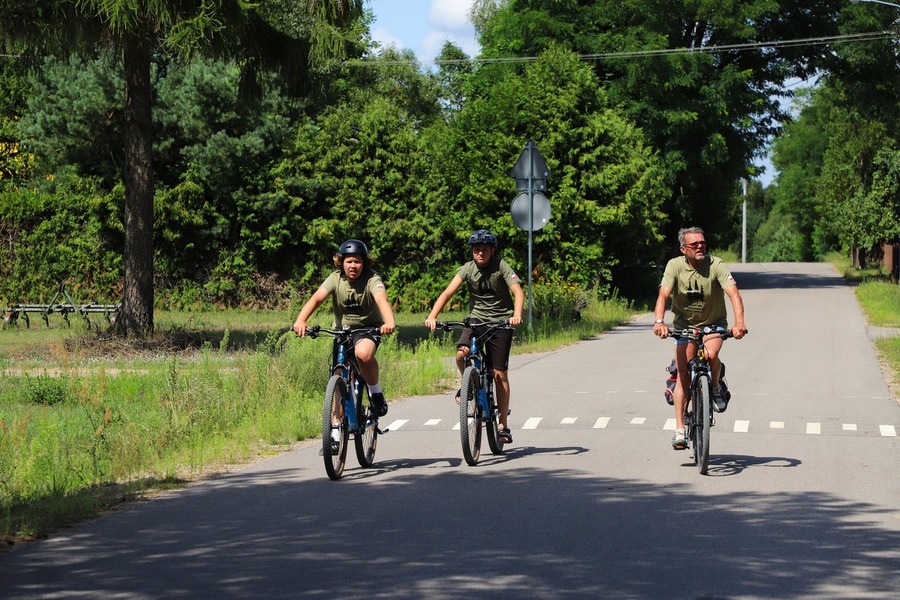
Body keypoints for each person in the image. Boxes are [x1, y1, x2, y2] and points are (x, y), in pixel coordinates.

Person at [425, 229, 525, 444]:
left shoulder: (501, 266)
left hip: (501, 323)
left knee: (499, 373)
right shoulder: (467, 269)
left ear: (492, 251)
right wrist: (433, 316)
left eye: (484, 250)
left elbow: (518, 292)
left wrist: (516, 315)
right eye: (477, 250)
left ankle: (503, 426)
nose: (480, 253)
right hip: (477, 320)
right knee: (461, 355)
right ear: (472, 251)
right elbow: (448, 292)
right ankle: (468, 383)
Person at [652, 226, 747, 450]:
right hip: (684, 326)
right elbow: (663, 294)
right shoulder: (674, 266)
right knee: (683, 373)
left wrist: (739, 323)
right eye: (694, 244)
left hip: (713, 324)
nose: (700, 246)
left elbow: (733, 294)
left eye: (702, 243)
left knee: (711, 353)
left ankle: (714, 386)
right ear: (683, 249)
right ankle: (679, 430)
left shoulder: (716, 265)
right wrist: (659, 322)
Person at [293, 239, 396, 421]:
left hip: (367, 329)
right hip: (342, 331)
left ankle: (375, 393)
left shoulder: (372, 278)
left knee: (363, 354)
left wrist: (389, 322)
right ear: (342, 263)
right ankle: (334, 435)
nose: (353, 266)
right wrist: (301, 320)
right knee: (337, 377)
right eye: (349, 261)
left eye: (357, 261)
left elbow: (382, 300)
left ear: (364, 263)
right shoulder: (335, 278)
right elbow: (317, 298)